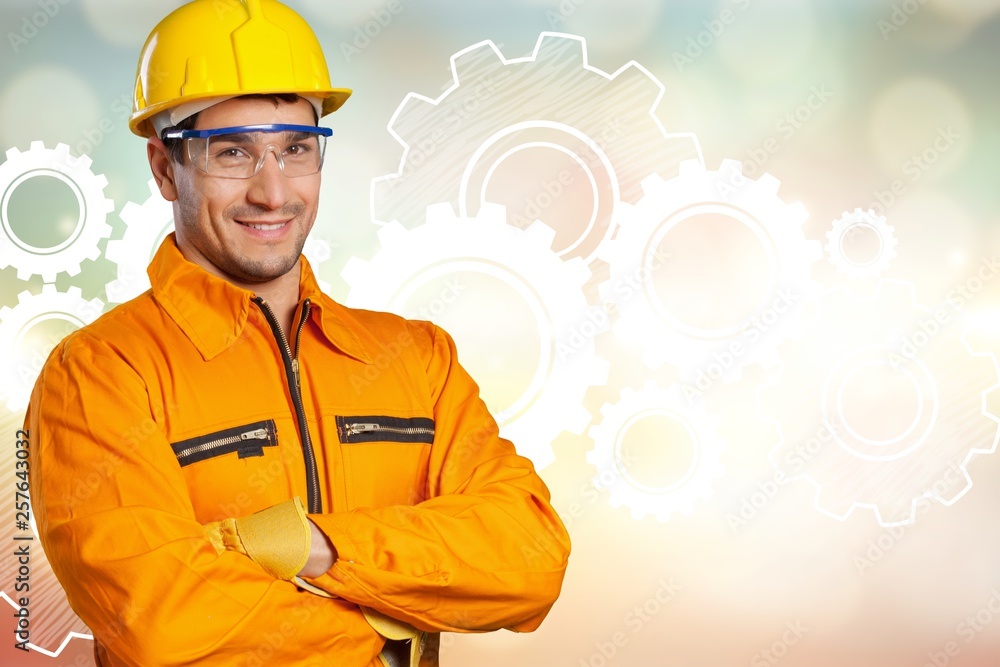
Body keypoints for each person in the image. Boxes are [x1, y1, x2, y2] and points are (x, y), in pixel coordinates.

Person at [25, 1, 571, 665]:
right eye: (233, 153)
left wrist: (308, 543)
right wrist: (392, 619)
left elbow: (530, 559)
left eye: (295, 149)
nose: (273, 191)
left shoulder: (417, 358)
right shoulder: (100, 373)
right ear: (166, 168)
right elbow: (160, 619)